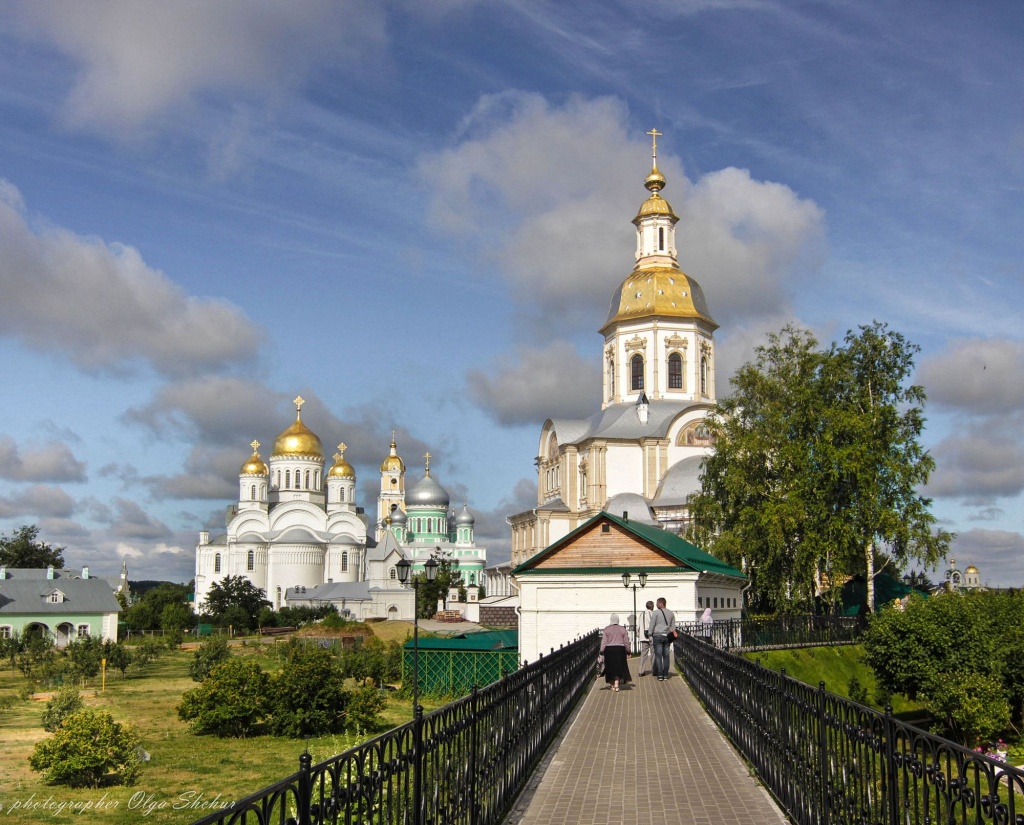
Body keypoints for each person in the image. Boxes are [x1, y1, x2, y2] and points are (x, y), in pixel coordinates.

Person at [600, 614, 631, 692]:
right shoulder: (622, 629)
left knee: (610, 667)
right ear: (618, 620)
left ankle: (612, 684)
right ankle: (617, 685)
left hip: (609, 650)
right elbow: (626, 642)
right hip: (620, 650)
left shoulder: (606, 629)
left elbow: (604, 642)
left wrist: (601, 651)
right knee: (618, 667)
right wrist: (628, 651)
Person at [648, 597, 676, 681]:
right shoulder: (671, 613)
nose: (656, 605)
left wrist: (649, 634)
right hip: (667, 636)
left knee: (658, 656)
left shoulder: (656, 613)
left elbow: (652, 625)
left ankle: (660, 675)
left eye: (657, 603)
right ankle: (665, 675)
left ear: (661, 604)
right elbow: (673, 627)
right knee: (666, 656)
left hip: (657, 636)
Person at [638, 600, 655, 676]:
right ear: (652, 606)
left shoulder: (641, 614)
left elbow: (638, 626)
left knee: (643, 654)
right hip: (651, 636)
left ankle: (641, 671)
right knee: (653, 653)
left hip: (643, 637)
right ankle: (654, 670)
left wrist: (639, 634)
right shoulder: (653, 614)